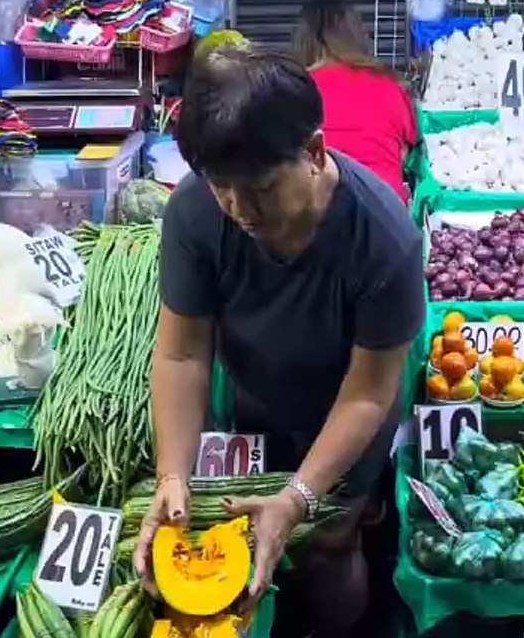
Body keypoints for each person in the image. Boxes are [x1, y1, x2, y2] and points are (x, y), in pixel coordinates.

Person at [133, 47, 424, 638]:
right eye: (222, 188)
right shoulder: (194, 212)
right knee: (243, 539)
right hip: (256, 398)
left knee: (330, 540)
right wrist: (172, 478)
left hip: (349, 408)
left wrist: (297, 500)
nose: (239, 208)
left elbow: (369, 391)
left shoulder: (383, 237)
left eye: (260, 189)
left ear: (314, 153)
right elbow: (182, 353)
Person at [292, 0, 417, 205]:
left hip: (317, 213)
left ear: (303, 40)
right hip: (386, 213)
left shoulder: (293, 89)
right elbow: (403, 154)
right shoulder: (390, 85)